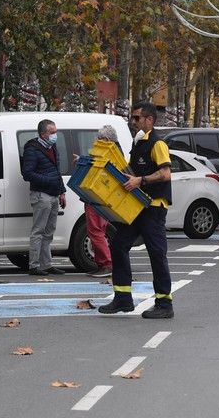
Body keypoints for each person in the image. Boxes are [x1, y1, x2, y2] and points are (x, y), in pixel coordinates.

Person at [99, 102, 173, 319]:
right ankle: (123, 298)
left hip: (154, 208)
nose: (133, 122)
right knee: (119, 245)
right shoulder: (139, 141)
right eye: (132, 118)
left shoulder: (157, 143)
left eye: (136, 118)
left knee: (157, 254)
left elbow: (165, 173)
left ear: (149, 120)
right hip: (137, 206)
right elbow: (131, 170)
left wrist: (140, 181)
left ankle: (164, 304)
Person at [20, 118, 66, 276]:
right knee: (38, 231)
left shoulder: (52, 147)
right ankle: (34, 265)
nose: (55, 135)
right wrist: (48, 181)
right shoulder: (32, 149)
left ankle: (46, 264)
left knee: (49, 231)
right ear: (43, 134)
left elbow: (56, 171)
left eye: (55, 131)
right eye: (52, 132)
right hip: (41, 194)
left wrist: (62, 191)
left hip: (53, 194)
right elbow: (27, 174)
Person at [80, 125, 123, 278]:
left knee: (96, 231)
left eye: (101, 138)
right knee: (97, 231)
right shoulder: (115, 153)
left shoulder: (109, 153)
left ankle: (106, 264)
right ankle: (102, 264)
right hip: (100, 196)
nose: (98, 141)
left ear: (107, 140)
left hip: (98, 196)